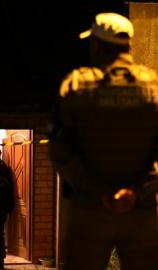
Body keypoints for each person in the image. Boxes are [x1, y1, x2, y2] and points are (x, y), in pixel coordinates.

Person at [49, 12, 158, 270]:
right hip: (141, 210)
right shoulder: (153, 88)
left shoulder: (76, 87)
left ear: (96, 45)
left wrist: (97, 190)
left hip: (90, 210)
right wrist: (135, 191)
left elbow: (60, 150)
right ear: (129, 45)